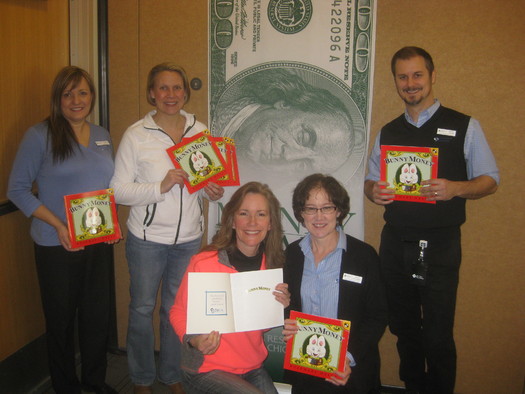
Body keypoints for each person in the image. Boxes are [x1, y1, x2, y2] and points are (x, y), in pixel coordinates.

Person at [364, 46, 499, 394]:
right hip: (396, 242)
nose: (411, 83)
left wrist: (455, 188)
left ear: (432, 76)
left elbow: (490, 179)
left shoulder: (465, 126)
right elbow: (371, 179)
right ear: (396, 81)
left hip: (440, 245)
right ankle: (413, 386)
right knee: (404, 327)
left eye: (417, 75)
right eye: (403, 76)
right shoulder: (387, 132)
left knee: (438, 332)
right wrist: (373, 192)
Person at [110, 62, 224, 394]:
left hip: (188, 240)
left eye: (176, 88)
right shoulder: (136, 135)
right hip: (147, 240)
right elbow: (117, 190)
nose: (170, 95)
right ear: (151, 94)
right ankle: (141, 378)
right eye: (162, 88)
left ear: (186, 93)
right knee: (142, 309)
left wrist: (211, 190)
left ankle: (172, 374)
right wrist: (159, 187)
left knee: (176, 311)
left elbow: (204, 181)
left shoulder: (200, 130)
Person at [7, 66, 117, 394]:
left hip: (97, 240)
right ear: (57, 99)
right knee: (61, 321)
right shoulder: (39, 135)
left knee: (96, 317)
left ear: (92, 96)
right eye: (67, 94)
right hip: (56, 244)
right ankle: (65, 387)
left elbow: (105, 185)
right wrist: (58, 225)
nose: (76, 100)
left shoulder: (102, 135)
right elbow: (17, 190)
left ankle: (94, 383)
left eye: (82, 92)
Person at [170, 182, 290, 394]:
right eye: (244, 213)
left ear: (270, 223)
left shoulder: (271, 267)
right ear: (233, 220)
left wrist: (277, 307)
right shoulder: (204, 262)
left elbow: (258, 328)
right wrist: (193, 340)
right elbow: (177, 311)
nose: (252, 222)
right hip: (206, 367)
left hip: (252, 365)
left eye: (261, 214)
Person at [283, 174, 387, 393]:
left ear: (339, 211)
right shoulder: (292, 255)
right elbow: (289, 307)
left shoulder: (363, 256)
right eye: (310, 208)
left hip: (350, 372)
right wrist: (285, 314)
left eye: (327, 207)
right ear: (301, 214)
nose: (318, 216)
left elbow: (378, 315)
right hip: (305, 368)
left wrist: (347, 358)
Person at [212, 68, 357, 175]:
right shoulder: (211, 110)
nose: (288, 157)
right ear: (286, 104)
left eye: (303, 166)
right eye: (303, 138)